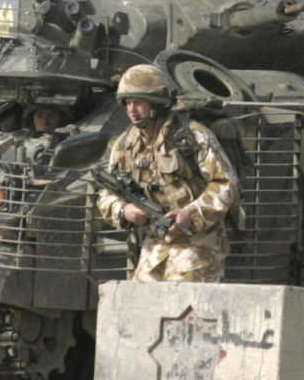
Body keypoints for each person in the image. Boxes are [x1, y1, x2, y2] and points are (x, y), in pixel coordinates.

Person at [96, 64, 239, 282]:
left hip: (198, 247)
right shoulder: (126, 144)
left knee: (186, 310)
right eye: (127, 103)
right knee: (140, 307)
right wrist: (123, 210)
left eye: (138, 102)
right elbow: (106, 194)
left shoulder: (191, 136)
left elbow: (225, 184)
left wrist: (190, 215)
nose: (132, 110)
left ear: (156, 102)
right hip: (155, 247)